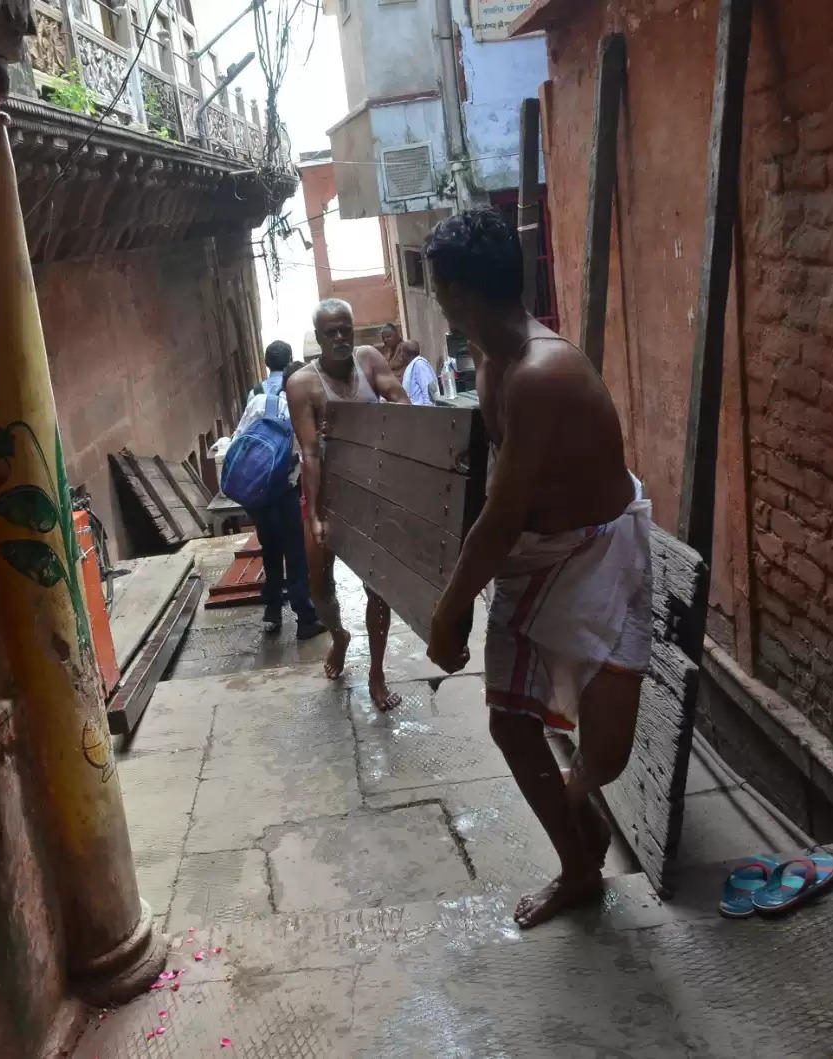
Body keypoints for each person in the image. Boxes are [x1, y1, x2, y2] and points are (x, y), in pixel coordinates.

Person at [422, 207, 652, 929]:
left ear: (454, 292)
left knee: (605, 754)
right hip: (535, 559)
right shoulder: (492, 362)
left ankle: (580, 807)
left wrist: (449, 606)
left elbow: (503, 511)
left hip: (599, 556)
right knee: (509, 722)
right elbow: (494, 494)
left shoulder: (540, 372)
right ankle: (580, 866)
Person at [286, 298, 413, 711]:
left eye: (345, 329)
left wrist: (368, 424)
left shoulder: (369, 360)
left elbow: (402, 405)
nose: (340, 337)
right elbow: (310, 452)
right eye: (330, 332)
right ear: (318, 338)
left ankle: (376, 672)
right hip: (327, 489)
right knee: (319, 585)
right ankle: (338, 635)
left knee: (378, 587)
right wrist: (316, 514)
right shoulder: (303, 384)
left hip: (370, 489)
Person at [233, 341, 324, 640]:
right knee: (295, 553)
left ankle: (272, 612)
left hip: (258, 492)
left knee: (269, 550)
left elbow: (238, 438)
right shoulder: (298, 403)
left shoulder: (257, 397)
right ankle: (305, 620)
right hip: (285, 490)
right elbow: (306, 452)